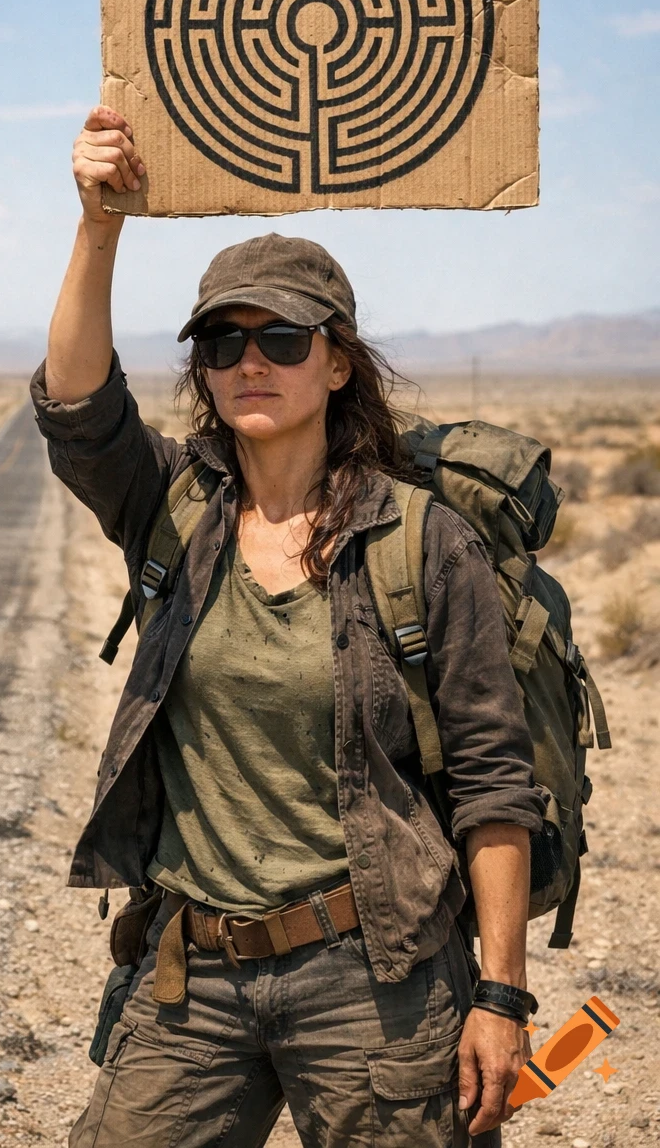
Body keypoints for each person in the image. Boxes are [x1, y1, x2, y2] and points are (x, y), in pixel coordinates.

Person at [30, 106, 546, 1147]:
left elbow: (494, 784)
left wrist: (500, 996)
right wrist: (98, 226)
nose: (249, 361)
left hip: (376, 977)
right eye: (222, 341)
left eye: (280, 337)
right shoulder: (173, 509)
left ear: (338, 362)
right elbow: (79, 409)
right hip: (192, 974)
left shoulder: (420, 543)